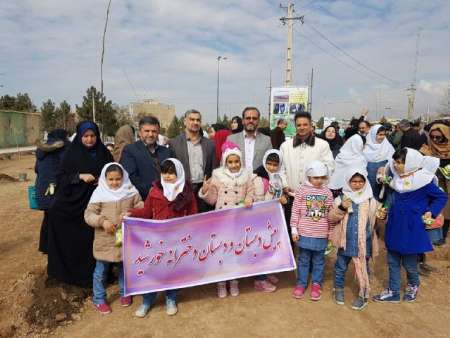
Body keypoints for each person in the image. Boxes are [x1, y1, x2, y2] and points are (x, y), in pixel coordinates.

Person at [373, 148, 447, 303]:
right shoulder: (397, 180)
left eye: (400, 162)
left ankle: (413, 285)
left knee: (409, 262)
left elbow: (441, 197)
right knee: (392, 260)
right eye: (395, 161)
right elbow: (392, 198)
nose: (396, 165)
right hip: (395, 225)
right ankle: (393, 290)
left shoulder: (423, 181)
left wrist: (430, 212)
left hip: (412, 227)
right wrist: (385, 209)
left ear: (411, 163)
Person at [127, 158, 198, 317]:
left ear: (178, 173)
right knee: (152, 269)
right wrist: (130, 213)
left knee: (172, 269)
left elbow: (193, 214)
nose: (167, 176)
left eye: (171, 173)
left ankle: (171, 298)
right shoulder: (154, 191)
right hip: (156, 238)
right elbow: (146, 211)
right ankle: (147, 300)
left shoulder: (186, 192)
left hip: (177, 239)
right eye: (164, 172)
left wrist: (189, 232)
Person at [47, 121, 113, 286]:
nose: (90, 139)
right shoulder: (71, 153)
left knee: (97, 238)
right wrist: (79, 177)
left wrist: (103, 180)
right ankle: (69, 274)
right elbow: (61, 177)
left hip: (98, 201)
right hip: (75, 201)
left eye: (93, 136)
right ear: (80, 137)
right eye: (86, 136)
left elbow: (114, 173)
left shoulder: (104, 153)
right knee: (56, 216)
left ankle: (99, 275)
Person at [84, 163, 143, 314]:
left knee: (125, 267)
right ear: (105, 179)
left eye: (118, 179)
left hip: (125, 237)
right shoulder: (99, 193)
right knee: (101, 271)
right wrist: (102, 221)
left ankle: (125, 292)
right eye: (111, 179)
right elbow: (88, 214)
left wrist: (131, 213)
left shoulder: (130, 191)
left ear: (123, 178)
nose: (115, 182)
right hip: (105, 240)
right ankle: (99, 299)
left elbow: (141, 206)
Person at [200, 142, 254, 298]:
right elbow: (212, 199)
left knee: (236, 252)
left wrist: (249, 198)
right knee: (222, 252)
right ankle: (221, 282)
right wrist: (205, 191)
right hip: (222, 220)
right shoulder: (218, 176)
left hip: (239, 220)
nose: (234, 165)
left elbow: (250, 191)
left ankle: (234, 281)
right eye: (230, 162)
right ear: (225, 162)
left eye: (236, 161)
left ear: (240, 161)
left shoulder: (246, 175)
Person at [329, 168, 383, 311]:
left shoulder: (371, 200)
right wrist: (341, 207)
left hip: (363, 243)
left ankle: (363, 295)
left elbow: (378, 220)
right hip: (345, 242)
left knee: (362, 269)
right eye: (354, 181)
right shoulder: (341, 199)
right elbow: (332, 218)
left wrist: (383, 216)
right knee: (340, 267)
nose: (357, 184)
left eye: (360, 181)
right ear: (348, 182)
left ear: (365, 182)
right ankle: (338, 289)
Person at [280, 112, 334, 229]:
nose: (302, 127)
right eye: (299, 125)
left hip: (314, 198)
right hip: (291, 196)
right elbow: (281, 169)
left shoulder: (322, 145)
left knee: (311, 231)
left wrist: (317, 187)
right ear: (295, 126)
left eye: (305, 124)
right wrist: (284, 185)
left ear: (311, 126)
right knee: (291, 230)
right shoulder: (285, 146)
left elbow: (329, 168)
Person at [290, 161, 334, 301]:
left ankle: (316, 284)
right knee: (303, 260)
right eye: (315, 177)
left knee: (319, 261)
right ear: (309, 177)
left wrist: (331, 233)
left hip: (321, 234)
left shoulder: (327, 192)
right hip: (304, 233)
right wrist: (294, 230)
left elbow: (331, 214)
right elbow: (295, 211)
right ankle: (301, 284)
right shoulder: (302, 190)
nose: (319, 180)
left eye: (322, 177)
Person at [169, 109, 216, 212]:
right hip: (183, 190)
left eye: (198, 120)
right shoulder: (174, 143)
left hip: (203, 190)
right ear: (185, 121)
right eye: (192, 119)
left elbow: (214, 168)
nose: (195, 122)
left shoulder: (210, 144)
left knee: (203, 221)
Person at [35, 129, 70, 254]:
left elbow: (36, 169)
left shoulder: (41, 151)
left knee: (48, 217)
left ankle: (45, 246)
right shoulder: (65, 149)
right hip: (56, 189)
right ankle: (55, 247)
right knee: (58, 219)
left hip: (42, 189)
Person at [121, 116, 171, 200]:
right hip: (142, 199)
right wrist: (151, 191)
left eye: (154, 131)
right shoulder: (130, 150)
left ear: (158, 132)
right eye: (147, 131)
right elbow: (131, 176)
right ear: (140, 132)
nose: (151, 134)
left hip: (166, 198)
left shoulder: (167, 151)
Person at [420, 123, 450, 243]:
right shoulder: (426, 149)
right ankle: (432, 236)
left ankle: (442, 235)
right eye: (432, 137)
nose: (435, 140)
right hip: (431, 184)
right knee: (431, 209)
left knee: (447, 210)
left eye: (439, 137)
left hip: (447, 185)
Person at [227, 107, 272, 171]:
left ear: (258, 121)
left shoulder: (267, 140)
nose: (251, 121)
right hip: (237, 180)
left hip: (259, 179)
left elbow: (270, 165)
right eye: (248, 118)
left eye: (254, 118)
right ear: (243, 121)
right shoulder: (231, 139)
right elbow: (224, 164)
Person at [363, 125, 395, 200]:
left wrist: (386, 167)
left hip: (384, 175)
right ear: (373, 134)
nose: (382, 137)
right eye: (380, 134)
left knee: (383, 195)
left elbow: (393, 159)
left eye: (384, 134)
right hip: (369, 176)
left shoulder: (387, 145)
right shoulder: (366, 147)